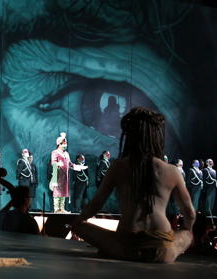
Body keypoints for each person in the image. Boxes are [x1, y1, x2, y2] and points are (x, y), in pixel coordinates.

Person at [71, 107, 196, 263]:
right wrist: (186, 230)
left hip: (125, 246)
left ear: (129, 136)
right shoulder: (172, 171)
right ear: (157, 137)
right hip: (162, 249)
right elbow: (190, 213)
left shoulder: (118, 166)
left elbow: (95, 205)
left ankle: (112, 249)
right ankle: (167, 249)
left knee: (80, 227)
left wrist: (76, 223)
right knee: (187, 234)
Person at [0, 169, 39, 235]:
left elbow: (1, 213)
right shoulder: (29, 220)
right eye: (28, 197)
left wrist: (13, 199)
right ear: (26, 199)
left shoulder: (4, 216)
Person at [50, 132, 71, 213]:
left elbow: (70, 163)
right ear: (59, 144)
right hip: (58, 175)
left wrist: (77, 167)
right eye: (64, 143)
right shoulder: (55, 152)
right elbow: (53, 162)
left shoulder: (66, 154)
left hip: (65, 176)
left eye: (66, 143)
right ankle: (56, 209)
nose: (65, 145)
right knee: (57, 191)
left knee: (63, 192)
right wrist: (58, 163)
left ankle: (62, 208)